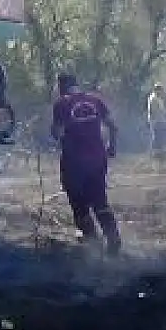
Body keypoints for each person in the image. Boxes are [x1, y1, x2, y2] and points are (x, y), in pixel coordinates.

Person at [51, 72, 122, 255]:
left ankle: (93, 243)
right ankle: (113, 239)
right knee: (99, 199)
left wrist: (57, 135)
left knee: (78, 202)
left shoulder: (62, 103)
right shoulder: (95, 100)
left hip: (74, 162)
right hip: (98, 158)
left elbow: (57, 133)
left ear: (61, 87)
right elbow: (113, 126)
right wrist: (112, 148)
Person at [145, 83, 166, 153]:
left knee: (159, 136)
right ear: (157, 90)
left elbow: (162, 109)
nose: (161, 91)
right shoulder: (153, 98)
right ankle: (153, 152)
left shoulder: (158, 97)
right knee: (155, 137)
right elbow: (154, 111)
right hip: (155, 120)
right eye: (160, 90)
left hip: (159, 120)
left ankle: (158, 152)